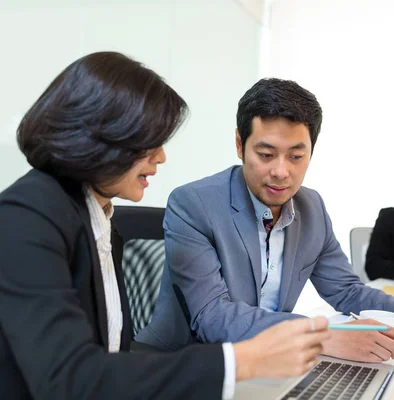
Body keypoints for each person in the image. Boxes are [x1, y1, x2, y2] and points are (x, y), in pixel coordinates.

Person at [0, 52, 330, 400]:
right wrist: (242, 361)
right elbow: (71, 379)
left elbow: (111, 356)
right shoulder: (25, 217)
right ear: (100, 136)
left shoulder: (96, 216)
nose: (160, 157)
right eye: (148, 143)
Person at [137, 78, 394, 362]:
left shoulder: (312, 207)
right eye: (266, 155)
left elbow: (347, 290)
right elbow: (212, 318)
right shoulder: (193, 204)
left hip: (270, 363)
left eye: (296, 156)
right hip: (184, 366)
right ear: (240, 144)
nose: (281, 171)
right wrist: (322, 335)